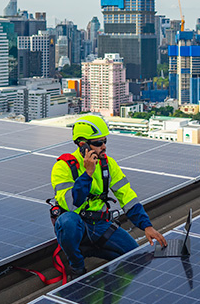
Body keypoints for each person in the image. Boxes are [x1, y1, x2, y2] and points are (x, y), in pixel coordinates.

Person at [51, 115, 167, 280]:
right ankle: (76, 266)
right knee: (67, 221)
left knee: (135, 256)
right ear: (82, 145)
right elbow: (72, 204)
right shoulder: (62, 167)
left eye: (105, 141)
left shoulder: (108, 164)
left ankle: (88, 250)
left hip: (100, 224)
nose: (104, 146)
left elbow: (127, 197)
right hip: (78, 224)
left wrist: (146, 226)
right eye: (98, 143)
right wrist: (87, 173)